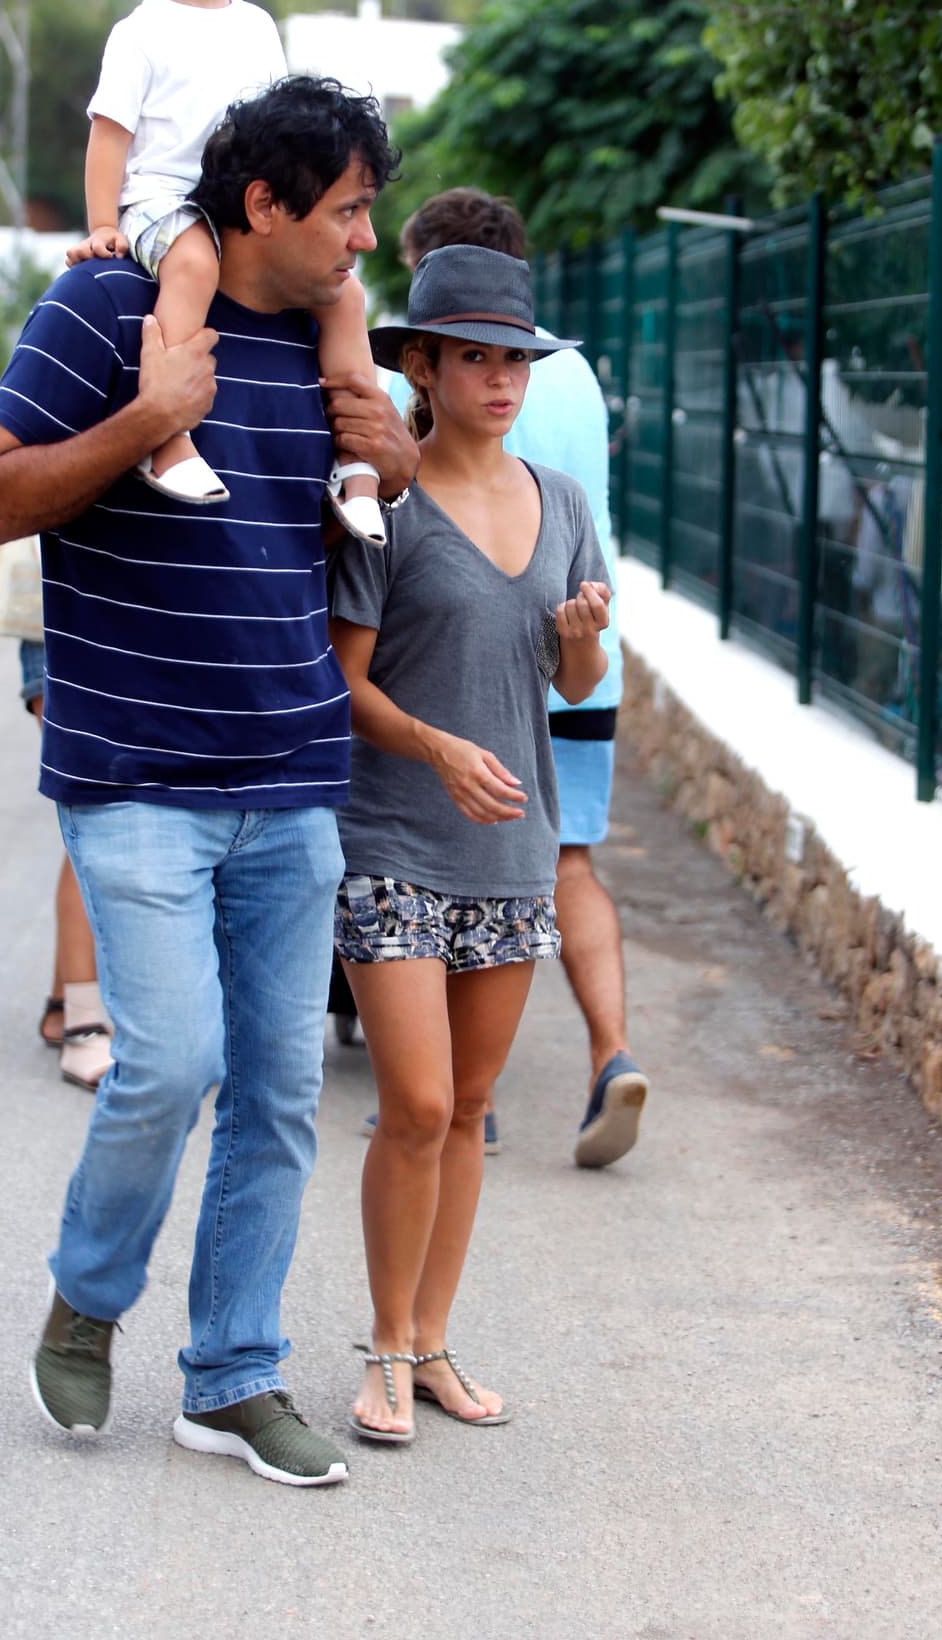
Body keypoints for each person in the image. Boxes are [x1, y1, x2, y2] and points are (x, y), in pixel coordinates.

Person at [0, 75, 416, 1488]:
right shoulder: (107, 313)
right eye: (345, 211)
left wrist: (389, 457)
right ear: (266, 202)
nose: (361, 241)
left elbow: (361, 519)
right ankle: (90, 1300)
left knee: (283, 1090)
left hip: (293, 777)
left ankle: (231, 1374)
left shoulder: (329, 352)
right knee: (169, 1063)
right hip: (136, 771)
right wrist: (141, 417)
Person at [330, 244, 611, 1443]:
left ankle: (433, 1343)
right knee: (416, 1100)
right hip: (389, 835)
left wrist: (581, 632)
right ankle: (382, 1348)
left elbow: (574, 679)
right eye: (474, 359)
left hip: (511, 849)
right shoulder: (380, 505)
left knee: (468, 1106)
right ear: (424, 370)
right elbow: (343, 687)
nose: (499, 380)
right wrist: (436, 749)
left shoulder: (562, 503)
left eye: (514, 360)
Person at [389, 189, 649, 1169]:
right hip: (589, 644)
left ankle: (465, 1096)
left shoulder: (457, 381)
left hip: (476, 661)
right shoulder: (573, 371)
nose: (500, 378)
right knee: (568, 860)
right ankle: (608, 1049)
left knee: (440, 866)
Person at [65, 0, 384, 544]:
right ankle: (168, 435)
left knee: (347, 294)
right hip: (163, 200)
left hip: (237, 197)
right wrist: (99, 222)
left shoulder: (257, 26)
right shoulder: (139, 35)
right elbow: (110, 138)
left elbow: (274, 128)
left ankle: (357, 465)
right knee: (194, 263)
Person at [19, 637, 112, 1090]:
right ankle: (83, 1022)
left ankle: (65, 1005)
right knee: (98, 808)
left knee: (100, 809)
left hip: (122, 626)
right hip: (64, 623)